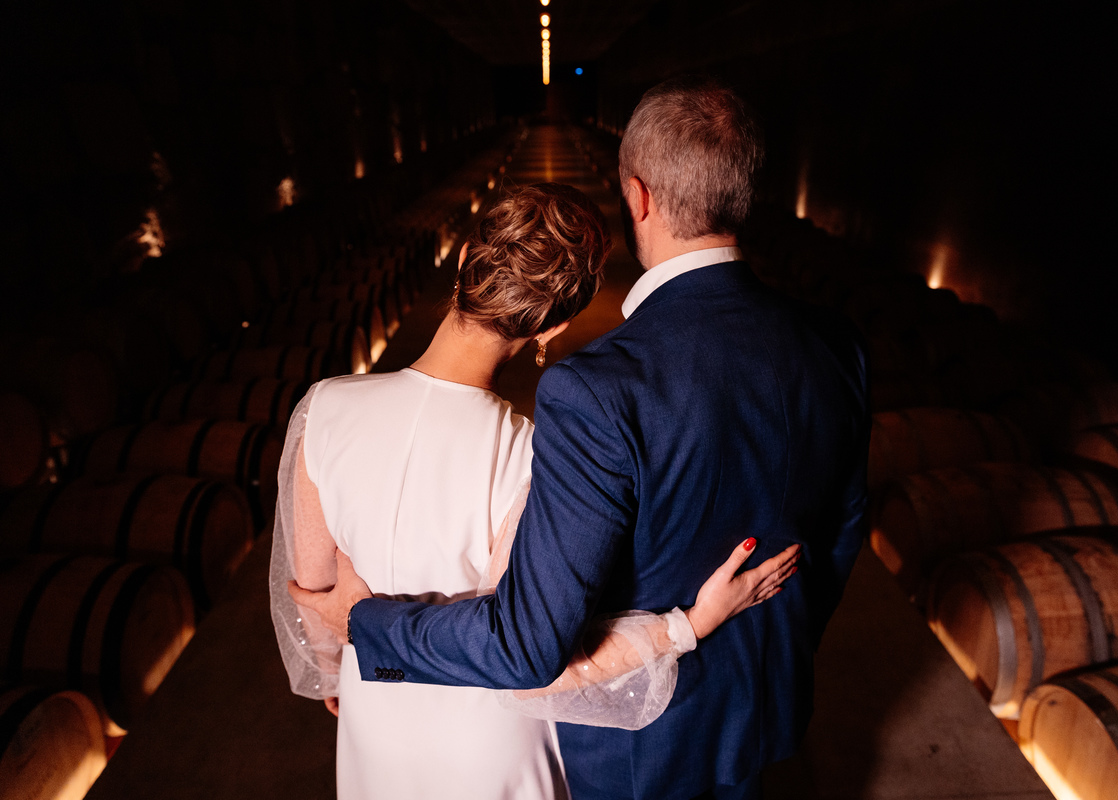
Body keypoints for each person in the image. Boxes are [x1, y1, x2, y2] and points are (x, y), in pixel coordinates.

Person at [293, 77, 869, 800]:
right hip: (766, 712)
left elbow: (530, 645)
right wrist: (772, 652)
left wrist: (359, 622)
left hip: (640, 754)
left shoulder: (597, 390)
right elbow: (841, 537)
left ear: (639, 196)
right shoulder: (836, 344)